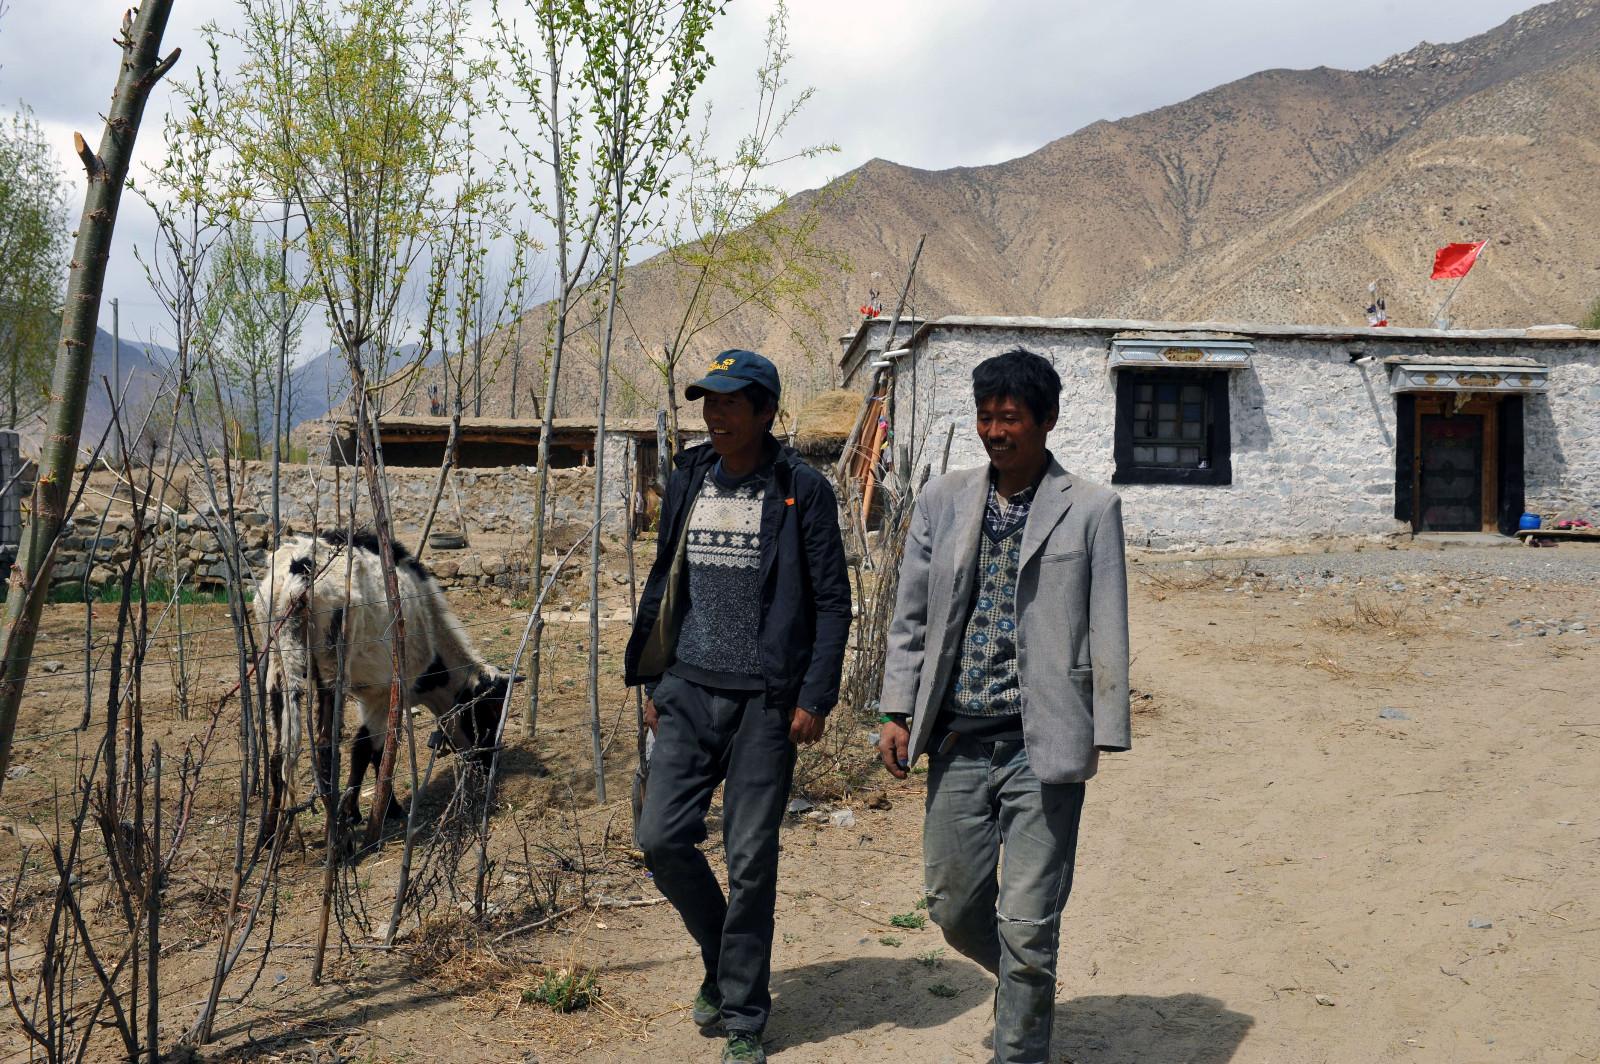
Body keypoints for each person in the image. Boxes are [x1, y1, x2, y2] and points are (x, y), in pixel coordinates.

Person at [876, 348, 1130, 1064]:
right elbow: (911, 616)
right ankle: (1028, 978)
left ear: (1047, 420)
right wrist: (896, 709)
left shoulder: (1091, 508)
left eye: (1010, 417)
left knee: (1027, 920)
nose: (995, 431)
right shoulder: (943, 500)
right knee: (953, 908)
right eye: (986, 416)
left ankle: (1020, 1041)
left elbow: (1108, 624)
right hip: (957, 740)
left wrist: (1106, 725)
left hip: (1042, 745)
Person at [625, 348, 851, 1064]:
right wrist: (656, 682)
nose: (716, 416)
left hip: (765, 703)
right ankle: (724, 959)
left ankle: (745, 1015)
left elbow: (832, 601)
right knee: (661, 838)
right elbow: (667, 583)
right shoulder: (690, 477)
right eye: (709, 403)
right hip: (688, 690)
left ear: (764, 412)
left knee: (750, 856)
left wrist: (815, 695)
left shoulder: (800, 490)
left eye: (730, 403)